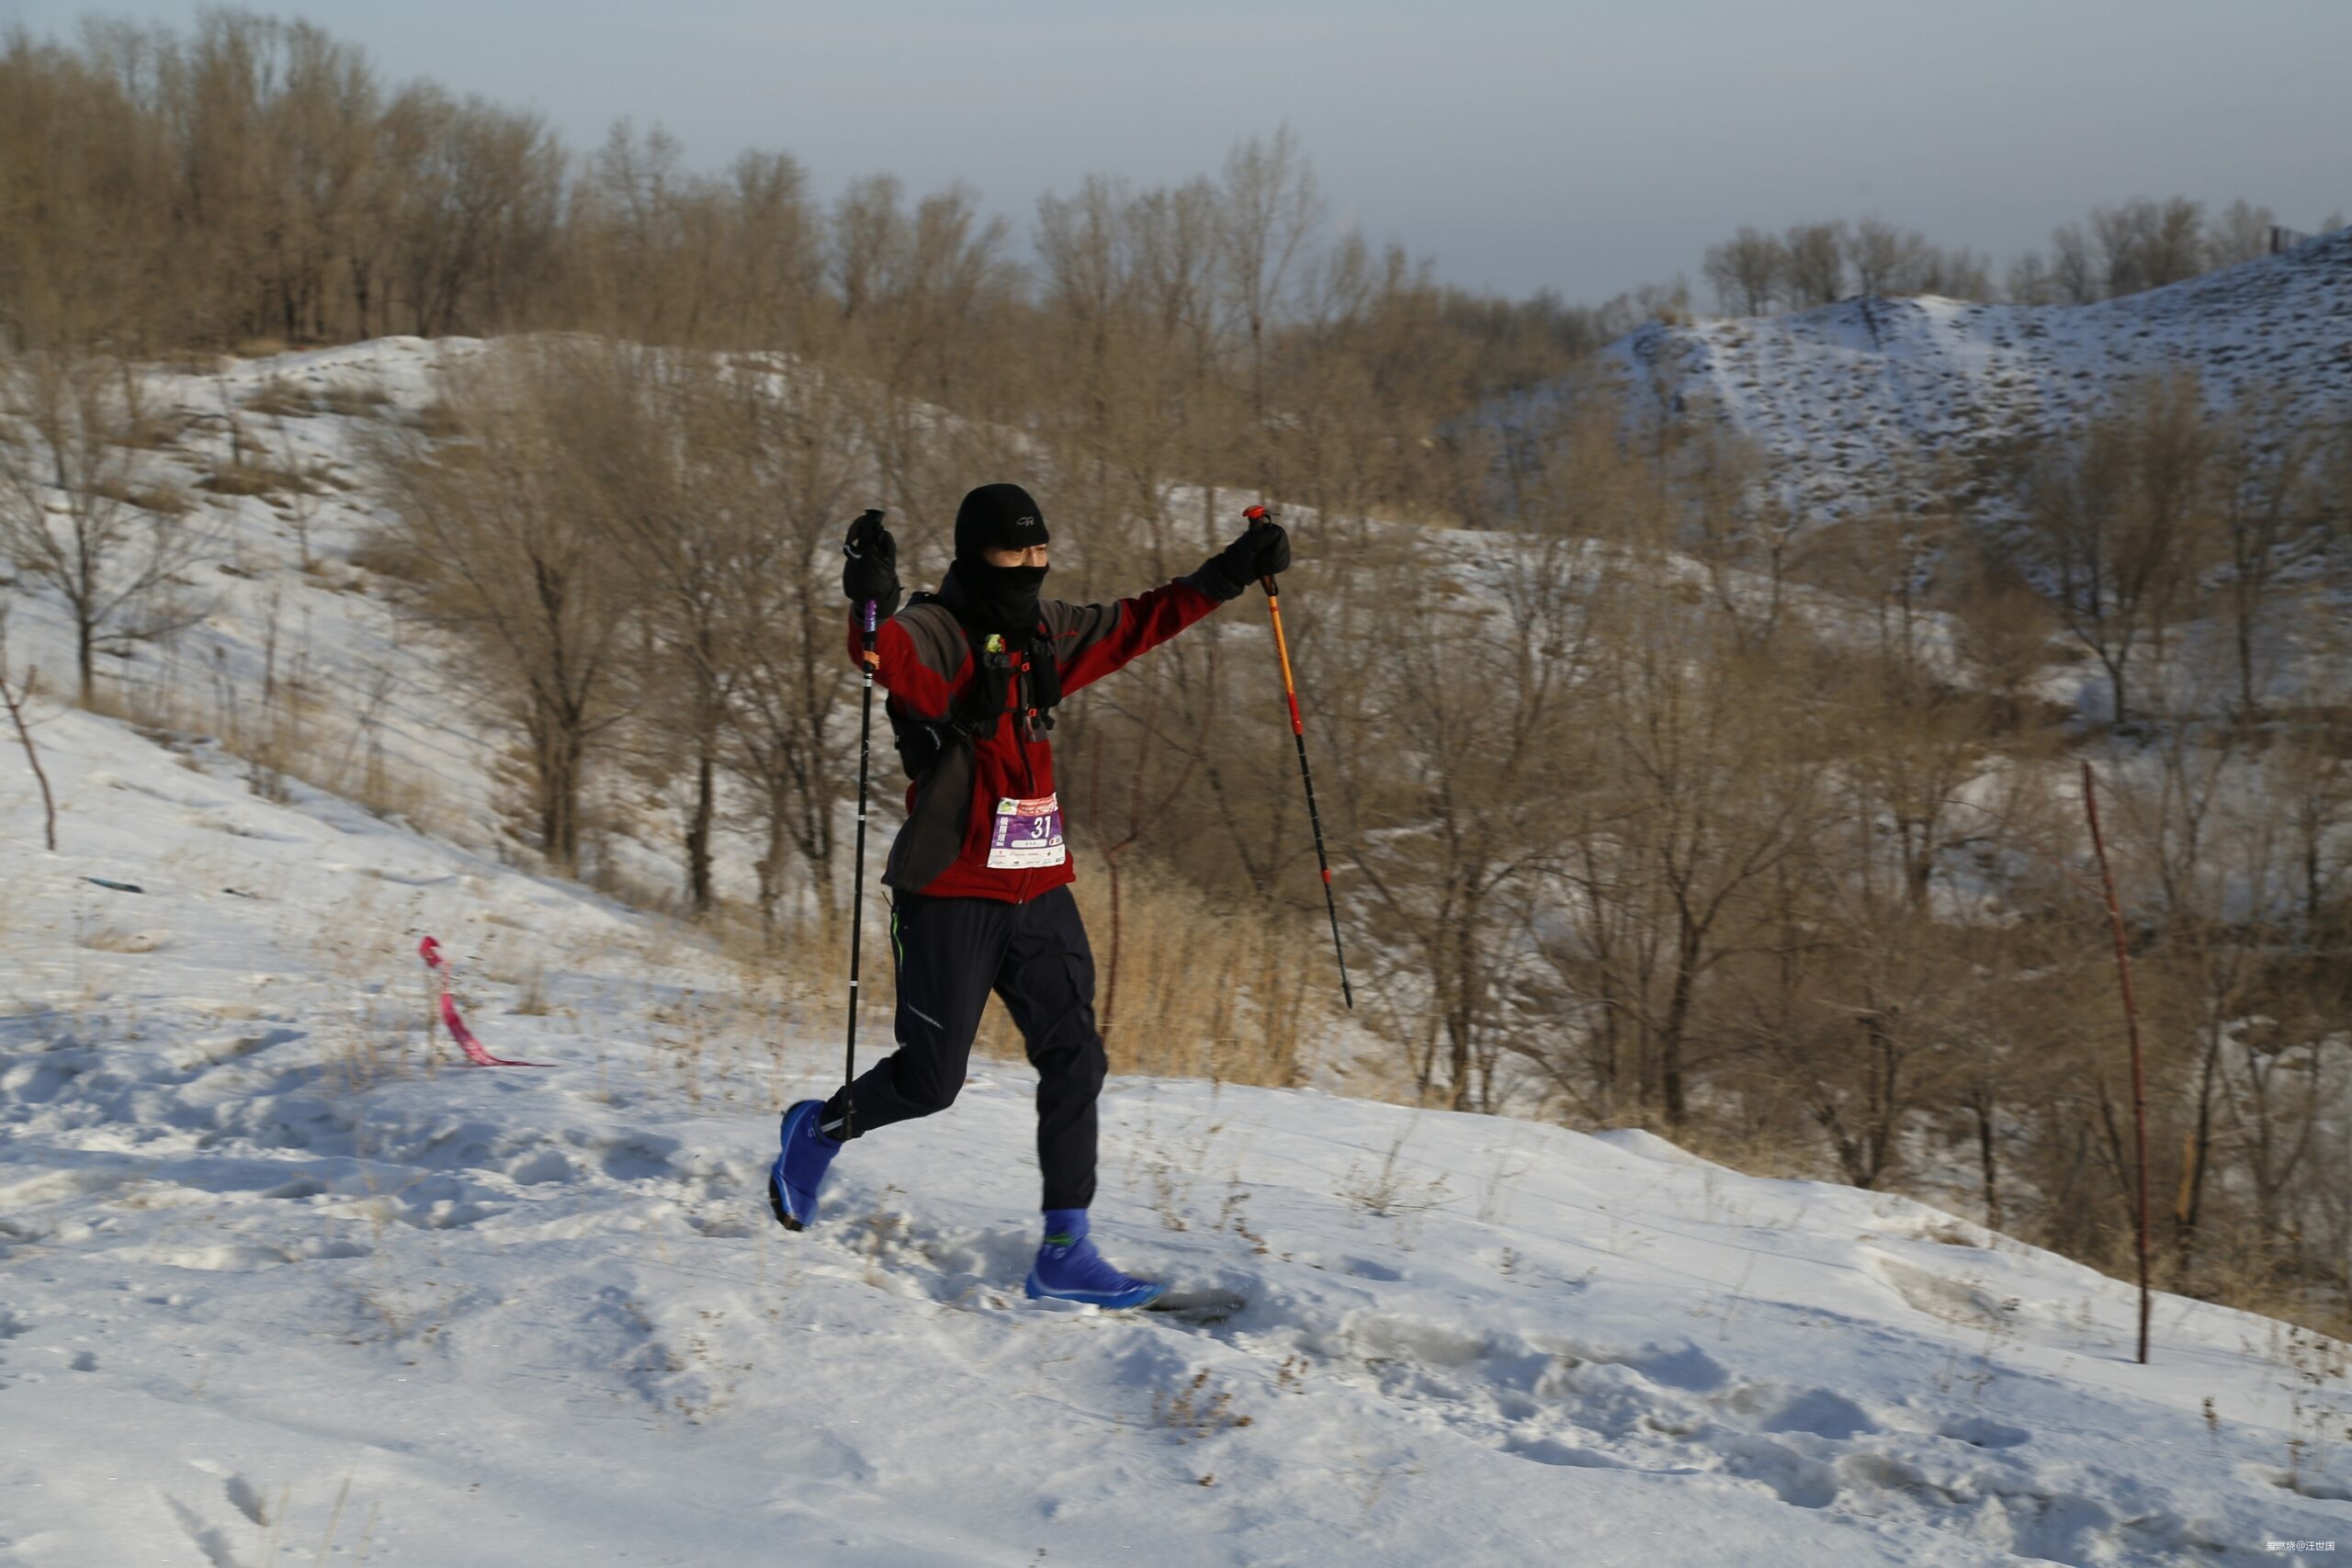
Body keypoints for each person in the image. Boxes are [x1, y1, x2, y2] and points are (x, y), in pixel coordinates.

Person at [766, 482, 1289, 1309]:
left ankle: (1064, 1251)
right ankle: (817, 1130)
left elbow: (1141, 620)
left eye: (1041, 548)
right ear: (978, 553)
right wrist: (870, 602)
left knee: (1077, 1056)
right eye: (1016, 550)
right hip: (951, 888)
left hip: (1039, 881)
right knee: (931, 1082)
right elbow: (881, 655)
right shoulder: (936, 632)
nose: (1032, 563)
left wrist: (1233, 569)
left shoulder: (1050, 630)